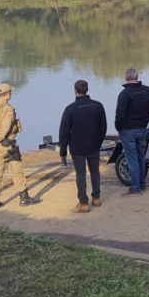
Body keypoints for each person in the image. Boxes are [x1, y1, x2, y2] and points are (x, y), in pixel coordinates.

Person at [0, 83, 41, 211]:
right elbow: (6, 128)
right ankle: (24, 199)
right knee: (17, 171)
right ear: (8, 94)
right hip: (8, 145)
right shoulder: (7, 108)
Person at [58, 79, 107, 213]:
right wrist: (99, 141)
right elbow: (103, 127)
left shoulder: (70, 109)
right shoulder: (98, 106)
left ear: (75, 91)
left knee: (81, 174)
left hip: (77, 146)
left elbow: (64, 132)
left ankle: (83, 203)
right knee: (95, 171)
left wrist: (63, 150)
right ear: (87, 90)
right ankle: (96, 198)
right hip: (94, 144)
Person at [114, 67, 149, 195]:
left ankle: (136, 188)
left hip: (128, 130)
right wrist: (145, 121)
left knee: (132, 159)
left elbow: (120, 115)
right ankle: (142, 184)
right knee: (140, 157)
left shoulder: (124, 94)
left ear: (126, 78)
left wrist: (119, 128)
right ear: (137, 77)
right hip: (142, 128)